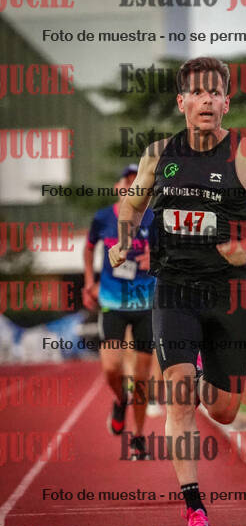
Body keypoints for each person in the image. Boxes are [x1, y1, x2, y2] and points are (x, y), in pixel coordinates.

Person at [109, 57, 246, 526]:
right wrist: (125, 238)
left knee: (225, 410)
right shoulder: (158, 154)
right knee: (179, 391)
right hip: (174, 289)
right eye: (198, 93)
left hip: (229, 293)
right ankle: (195, 511)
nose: (207, 100)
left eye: (215, 93)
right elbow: (133, 203)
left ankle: (202, 372)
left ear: (226, 103)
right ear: (182, 102)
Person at [83, 164, 156, 458]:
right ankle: (120, 400)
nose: (131, 187)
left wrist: (155, 256)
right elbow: (89, 247)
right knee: (111, 369)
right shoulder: (103, 218)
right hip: (112, 302)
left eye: (137, 183)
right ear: (118, 187)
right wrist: (89, 281)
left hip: (146, 304)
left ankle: (138, 437)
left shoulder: (153, 217)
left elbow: (170, 252)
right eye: (127, 182)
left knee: (141, 377)